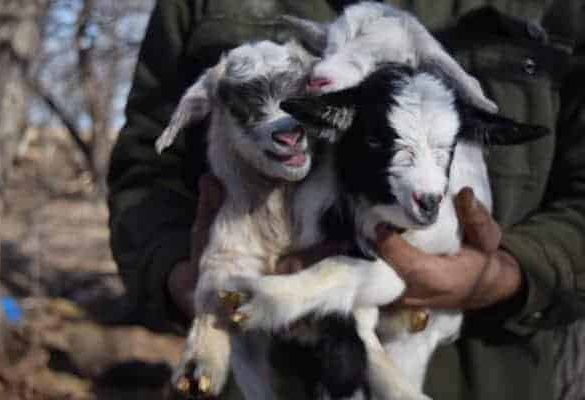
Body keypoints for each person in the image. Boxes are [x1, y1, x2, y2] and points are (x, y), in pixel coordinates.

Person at [107, 1, 585, 399]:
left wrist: (508, 275)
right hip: (257, 366)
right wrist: (189, 281)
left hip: (491, 375)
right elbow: (146, 168)